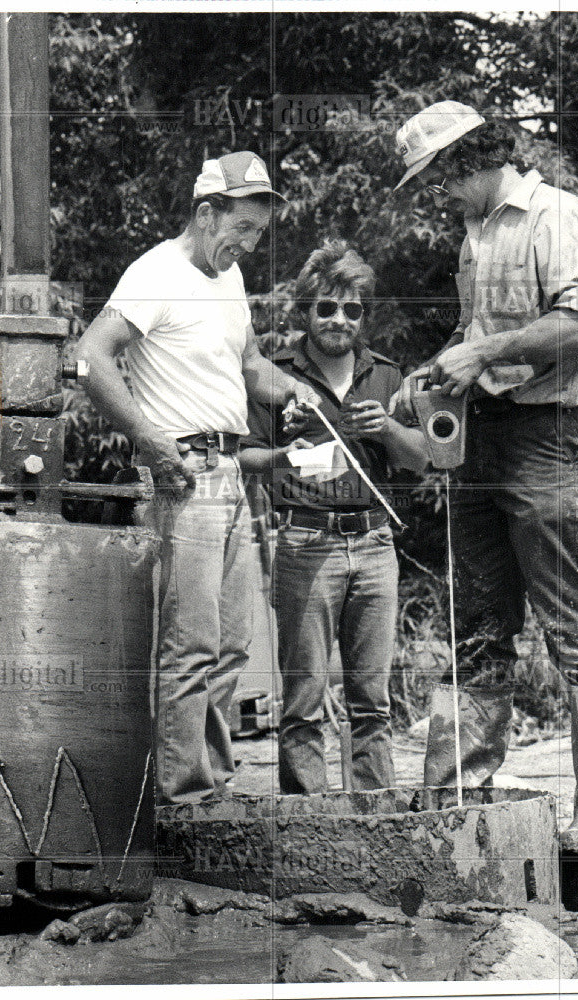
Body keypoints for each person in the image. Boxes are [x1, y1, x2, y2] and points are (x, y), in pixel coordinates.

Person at [393, 101, 578, 856]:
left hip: (554, 437)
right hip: (485, 442)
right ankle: (453, 792)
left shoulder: (554, 216)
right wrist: (438, 370)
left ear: (470, 160)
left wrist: (484, 355)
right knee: (479, 622)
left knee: (575, 624)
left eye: (439, 180)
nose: (438, 195)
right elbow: (478, 334)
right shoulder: (475, 238)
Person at [76, 151, 318, 805]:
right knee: (192, 642)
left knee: (234, 641)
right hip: (185, 471)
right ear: (207, 213)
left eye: (259, 232)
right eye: (242, 227)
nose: (249, 244)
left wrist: (289, 390)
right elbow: (91, 357)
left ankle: (212, 778)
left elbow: (250, 365)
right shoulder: (154, 274)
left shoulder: (228, 280)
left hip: (232, 471)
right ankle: (182, 798)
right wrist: (148, 439)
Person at [240, 240, 429, 794]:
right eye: (326, 307)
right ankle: (307, 826)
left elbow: (422, 458)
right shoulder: (275, 377)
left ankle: (376, 820)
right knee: (302, 701)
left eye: (352, 309)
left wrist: (389, 430)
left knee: (372, 700)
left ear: (364, 314)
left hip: (375, 546)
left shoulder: (388, 377)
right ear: (306, 311)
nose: (339, 319)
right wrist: (285, 457)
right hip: (305, 543)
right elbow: (245, 455)